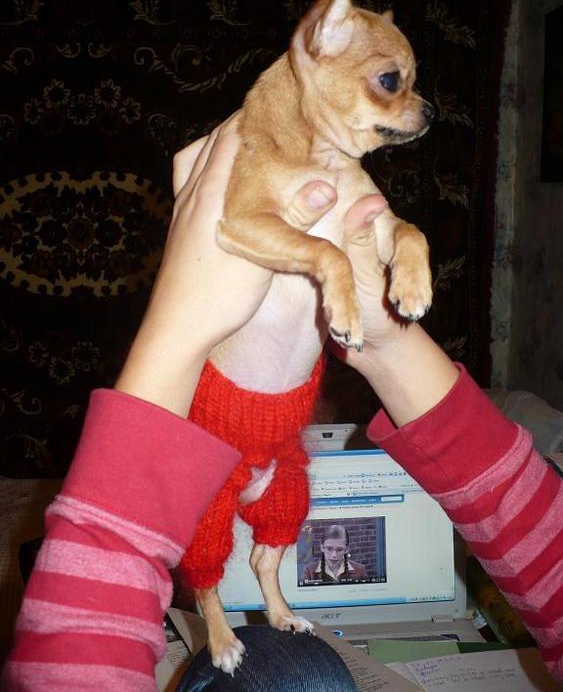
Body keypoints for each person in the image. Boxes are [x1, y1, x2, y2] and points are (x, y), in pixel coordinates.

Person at [3, 115, 562, 688]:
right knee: (224, 555)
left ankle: (268, 598)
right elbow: (543, 542)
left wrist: (173, 332)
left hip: (272, 442)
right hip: (242, 424)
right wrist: (389, 338)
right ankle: (217, 615)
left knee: (281, 536)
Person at [302, 524, 368, 584]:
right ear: (322, 547)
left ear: (346, 549)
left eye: (339, 550)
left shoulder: (360, 570)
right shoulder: (309, 571)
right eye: (329, 549)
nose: (334, 555)